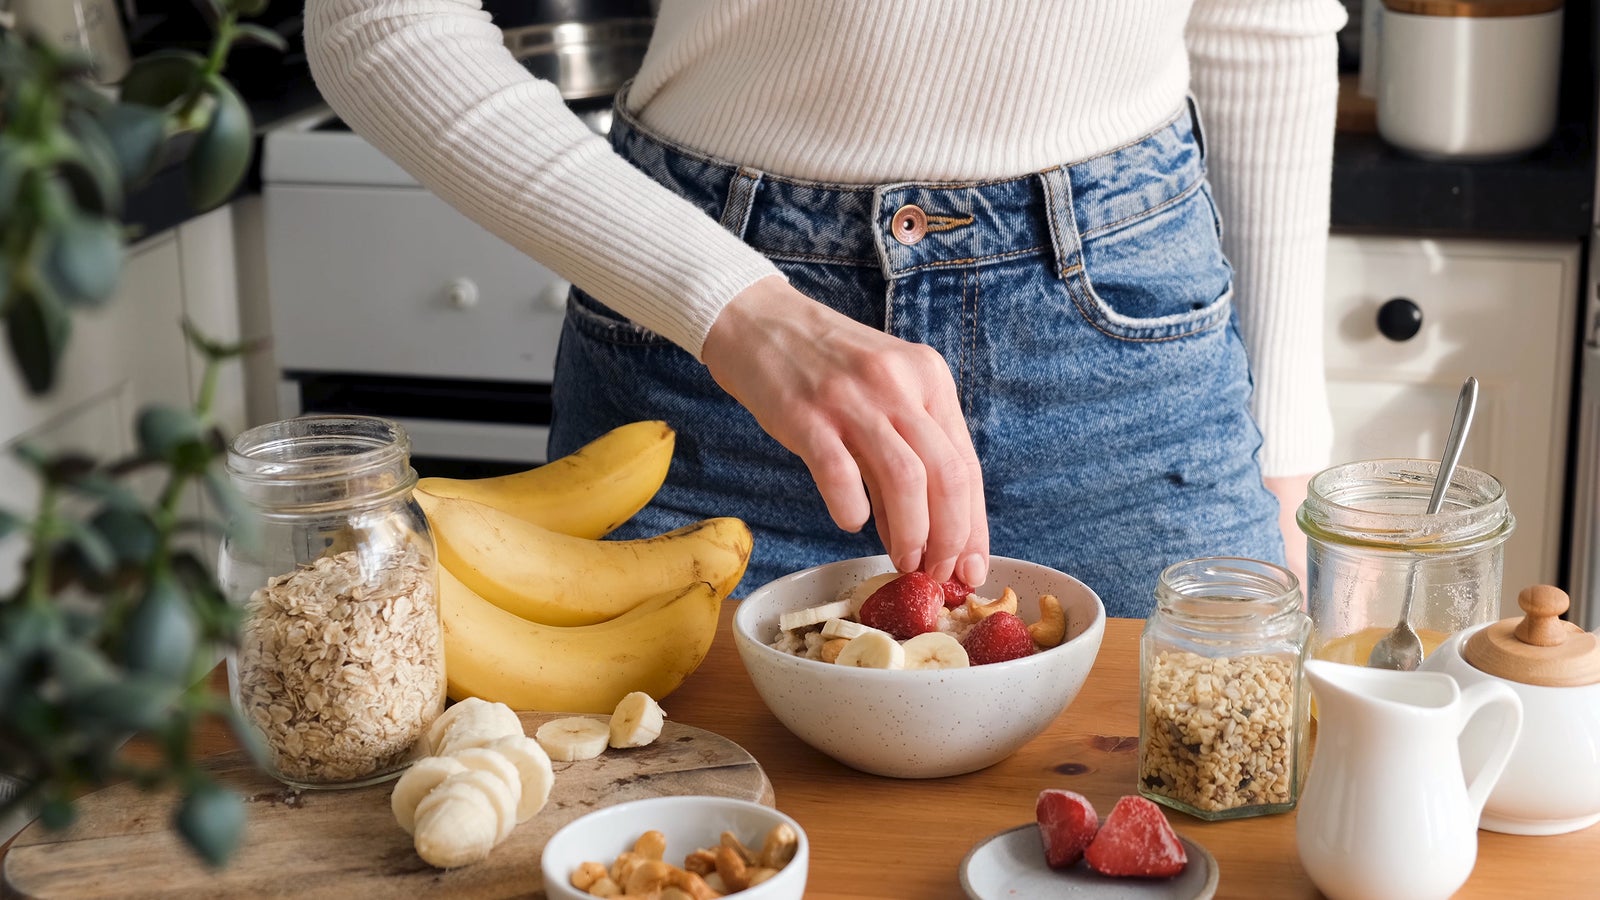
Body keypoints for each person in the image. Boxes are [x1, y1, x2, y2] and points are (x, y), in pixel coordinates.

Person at [304, 0, 1346, 617]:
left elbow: (1265, 19)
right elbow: (374, 19)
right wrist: (741, 311)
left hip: (1132, 374)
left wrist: (1284, 449)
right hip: (711, 367)